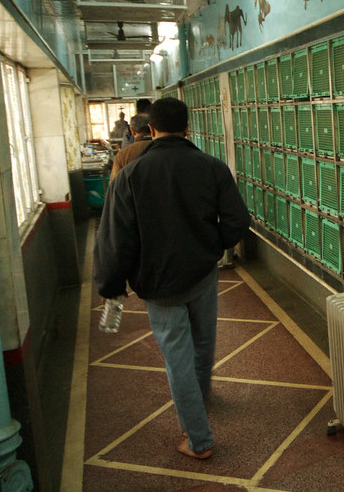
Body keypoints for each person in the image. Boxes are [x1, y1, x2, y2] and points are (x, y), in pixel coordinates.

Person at [93, 97, 250, 460]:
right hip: (201, 274)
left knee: (176, 356)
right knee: (203, 340)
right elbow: (238, 223)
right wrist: (212, 248)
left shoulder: (130, 176)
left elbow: (116, 238)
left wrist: (111, 286)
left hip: (158, 283)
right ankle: (201, 396)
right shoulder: (212, 167)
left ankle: (199, 440)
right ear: (188, 127)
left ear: (149, 130)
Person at [109, 113, 152, 179]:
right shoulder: (163, 148)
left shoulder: (123, 154)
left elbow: (114, 183)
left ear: (132, 131)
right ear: (152, 128)